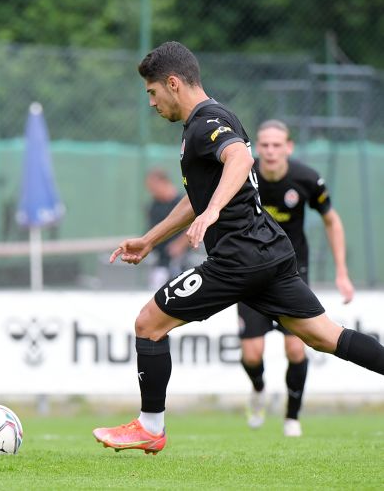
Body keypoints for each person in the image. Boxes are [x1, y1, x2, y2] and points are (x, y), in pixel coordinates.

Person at [92, 41, 384, 455]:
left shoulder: (205, 122)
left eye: (152, 92)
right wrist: (151, 238)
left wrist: (213, 212)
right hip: (269, 251)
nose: (152, 103)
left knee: (148, 323)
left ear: (173, 83)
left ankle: (150, 427)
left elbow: (240, 161)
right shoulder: (213, 118)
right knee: (324, 336)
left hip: (238, 257)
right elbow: (199, 196)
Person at [239, 119, 355, 437]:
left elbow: (332, 221)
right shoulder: (243, 175)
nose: (270, 151)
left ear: (288, 147)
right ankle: (259, 389)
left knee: (295, 349)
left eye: (277, 145)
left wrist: (342, 272)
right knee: (251, 354)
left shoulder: (306, 179)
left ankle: (292, 417)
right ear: (256, 147)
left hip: (291, 273)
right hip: (250, 271)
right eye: (264, 144)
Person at [145, 167, 190, 289]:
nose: (152, 191)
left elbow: (194, 225)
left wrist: (180, 244)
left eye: (154, 187)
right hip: (161, 260)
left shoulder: (182, 202)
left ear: (164, 182)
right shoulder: (154, 206)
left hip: (182, 261)